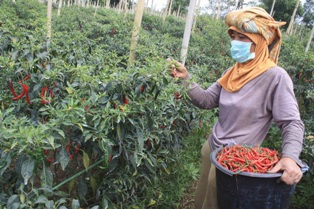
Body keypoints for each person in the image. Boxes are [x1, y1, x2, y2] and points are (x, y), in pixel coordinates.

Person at [168, 7, 306, 209]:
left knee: (216, 204)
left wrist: (290, 157)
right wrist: (185, 79)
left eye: (243, 38)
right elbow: (206, 100)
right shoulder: (232, 71)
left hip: (234, 162)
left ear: (259, 43)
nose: (235, 42)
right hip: (212, 149)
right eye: (233, 36)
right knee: (202, 199)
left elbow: (291, 122)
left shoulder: (275, 77)